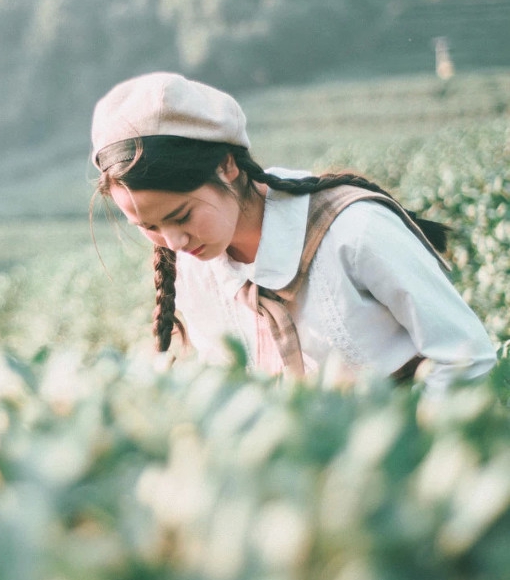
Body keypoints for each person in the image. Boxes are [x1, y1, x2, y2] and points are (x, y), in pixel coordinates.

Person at [91, 72, 497, 392]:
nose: (174, 241)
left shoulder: (354, 232)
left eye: (181, 215)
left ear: (227, 166)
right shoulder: (194, 266)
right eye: (149, 227)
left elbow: (467, 359)